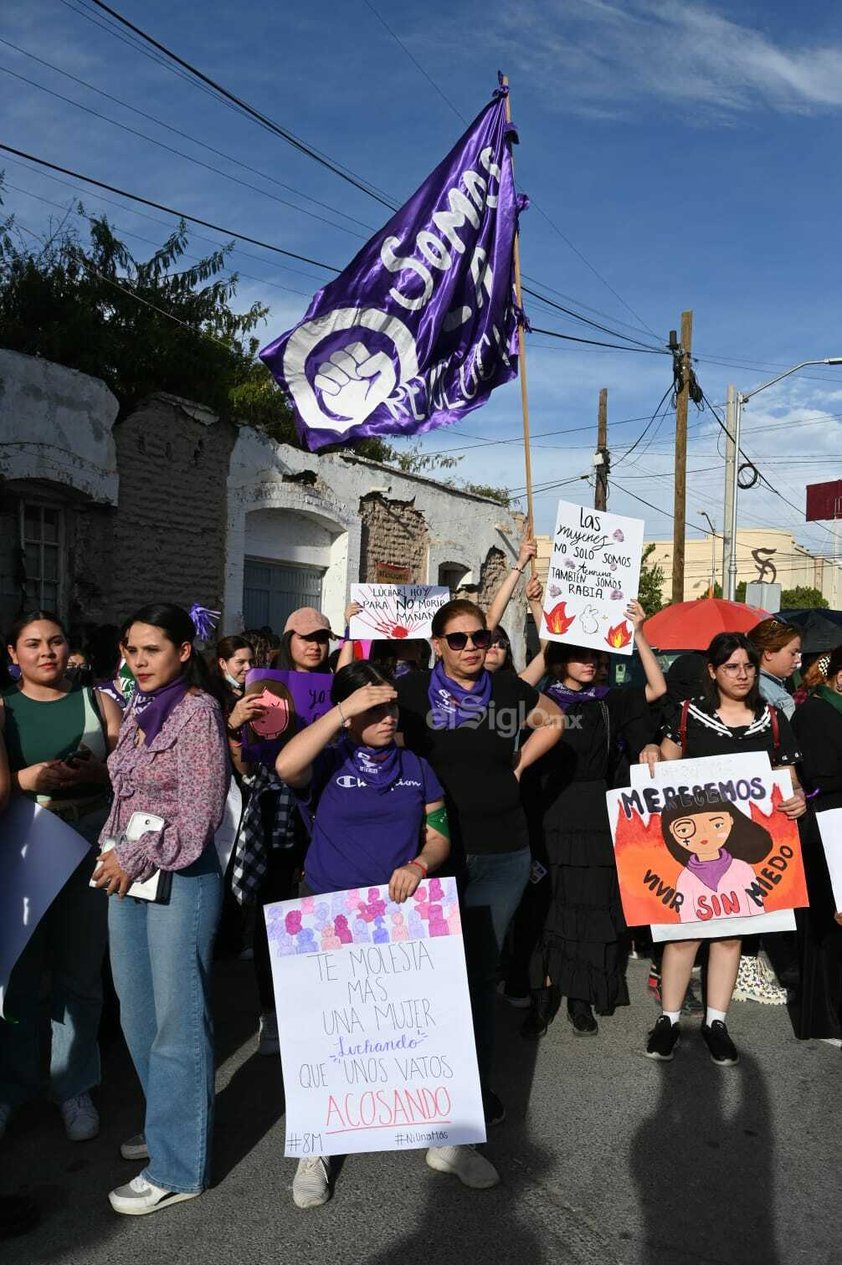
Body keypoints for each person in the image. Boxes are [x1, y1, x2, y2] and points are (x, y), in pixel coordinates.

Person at [276, 660, 464, 1206]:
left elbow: (438, 836)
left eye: (390, 707)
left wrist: (422, 865)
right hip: (329, 914)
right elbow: (286, 764)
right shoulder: (328, 759)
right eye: (372, 708)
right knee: (326, 1035)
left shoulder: (416, 766)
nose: (386, 717)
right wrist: (341, 712)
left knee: (420, 1032)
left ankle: (445, 1137)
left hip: (401, 915)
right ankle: (317, 1145)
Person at [395, 599, 564, 1131]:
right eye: (460, 639)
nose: (473, 647)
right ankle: (418, 1078)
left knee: (477, 972)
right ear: (438, 644)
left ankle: (471, 1085)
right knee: (431, 972)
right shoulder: (412, 692)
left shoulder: (507, 689)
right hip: (435, 854)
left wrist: (519, 764)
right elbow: (377, 738)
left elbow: (555, 719)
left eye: (480, 638)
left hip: (504, 852)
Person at [93, 603, 228, 1216]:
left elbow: (198, 815)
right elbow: (125, 797)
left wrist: (134, 853)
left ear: (182, 652)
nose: (139, 660)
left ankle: (177, 1166)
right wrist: (109, 847)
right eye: (131, 649)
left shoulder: (197, 711)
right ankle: (166, 1123)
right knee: (138, 1014)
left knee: (178, 1022)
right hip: (127, 871)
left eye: (152, 649)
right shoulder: (145, 708)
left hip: (178, 874)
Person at [646, 632, 805, 1067]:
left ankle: (717, 1022)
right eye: (732, 666)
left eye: (748, 666)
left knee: (730, 935)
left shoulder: (772, 719)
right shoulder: (686, 715)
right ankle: (669, 1020)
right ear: (713, 671)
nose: (742, 674)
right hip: (693, 845)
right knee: (684, 935)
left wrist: (797, 797)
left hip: (739, 849)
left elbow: (787, 779)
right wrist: (649, 753)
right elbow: (665, 764)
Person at [0, 611, 121, 1144]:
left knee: (79, 972)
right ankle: (14, 1087)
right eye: (32, 644)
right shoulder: (2, 710)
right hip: (23, 842)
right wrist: (29, 777)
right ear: (13, 654)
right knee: (20, 973)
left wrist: (101, 773)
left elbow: (132, 773)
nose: (46, 652)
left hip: (90, 842)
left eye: (55, 641)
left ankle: (73, 1084)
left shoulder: (98, 701)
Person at [519, 620, 659, 1041]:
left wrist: (637, 633)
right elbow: (513, 689)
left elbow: (656, 689)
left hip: (595, 815)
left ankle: (580, 1000)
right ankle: (541, 1000)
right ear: (560, 660)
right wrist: (543, 624)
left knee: (588, 904)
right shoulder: (539, 701)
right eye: (579, 655)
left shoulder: (609, 700)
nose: (590, 662)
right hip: (547, 811)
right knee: (545, 904)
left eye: (594, 656)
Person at [234, 606, 337, 1056]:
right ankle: (271, 1013)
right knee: (274, 914)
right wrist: (236, 725)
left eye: (322, 638)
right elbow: (244, 764)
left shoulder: (339, 688)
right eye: (305, 637)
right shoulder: (263, 690)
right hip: (276, 810)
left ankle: (320, 1006)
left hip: (328, 805)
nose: (314, 644)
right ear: (287, 641)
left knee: (325, 910)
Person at [791, 645, 842, 1038]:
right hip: (829, 825)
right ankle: (826, 1017)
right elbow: (820, 774)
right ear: (839, 676)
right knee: (829, 927)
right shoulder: (815, 712)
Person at [749, 617, 802, 719]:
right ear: (769, 653)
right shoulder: (762, 691)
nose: (797, 660)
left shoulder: (769, 686)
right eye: (793, 653)